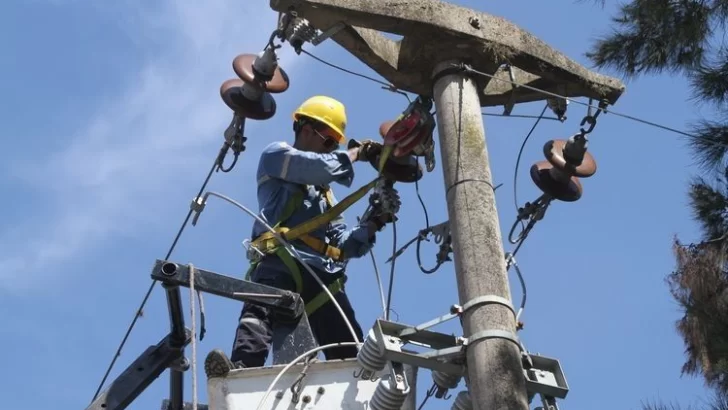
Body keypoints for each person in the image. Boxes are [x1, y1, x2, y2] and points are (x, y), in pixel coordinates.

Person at [204, 95, 397, 378]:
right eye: (329, 142)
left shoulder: (323, 196)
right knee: (259, 314)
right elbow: (318, 167)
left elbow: (341, 245)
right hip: (280, 260)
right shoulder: (276, 156)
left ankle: (359, 387)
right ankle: (239, 374)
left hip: (320, 274)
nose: (332, 150)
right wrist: (356, 154)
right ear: (307, 130)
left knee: (349, 349)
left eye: (335, 145)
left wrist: (375, 222)